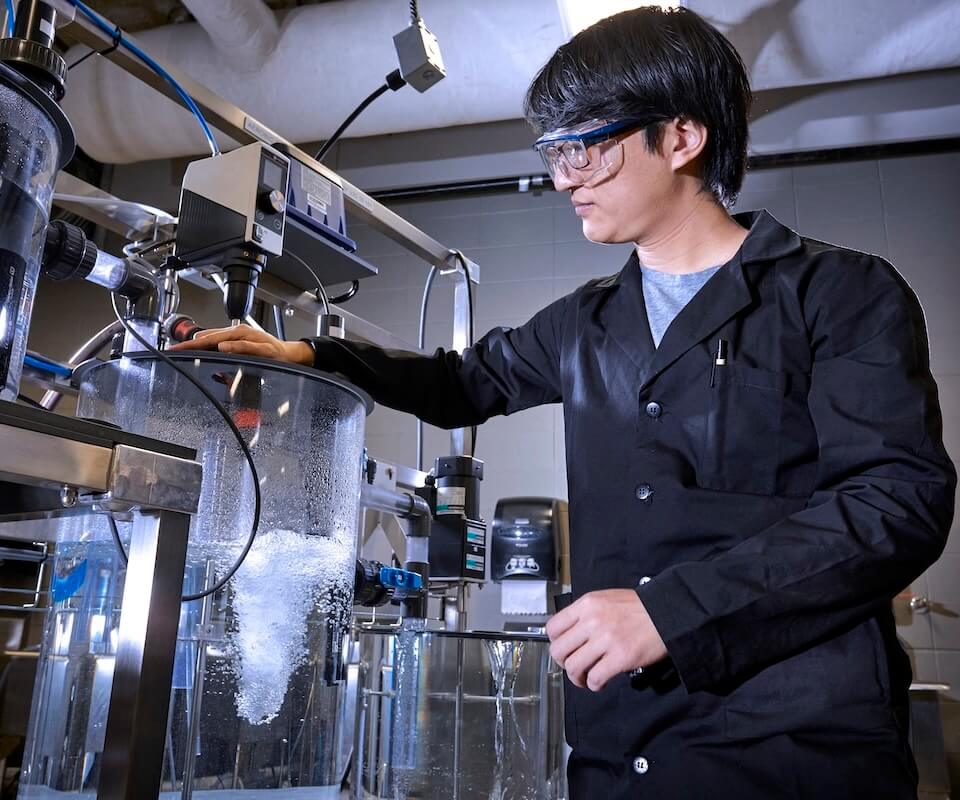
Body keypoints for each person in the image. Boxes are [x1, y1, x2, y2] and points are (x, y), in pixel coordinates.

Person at [175, 7, 956, 798]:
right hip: (619, 748)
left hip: (790, 748)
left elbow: (897, 503)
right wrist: (310, 353)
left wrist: (671, 612)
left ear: (682, 138)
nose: (561, 177)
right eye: (553, 150)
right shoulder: (585, 322)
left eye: (585, 146)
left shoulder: (838, 293)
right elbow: (459, 383)